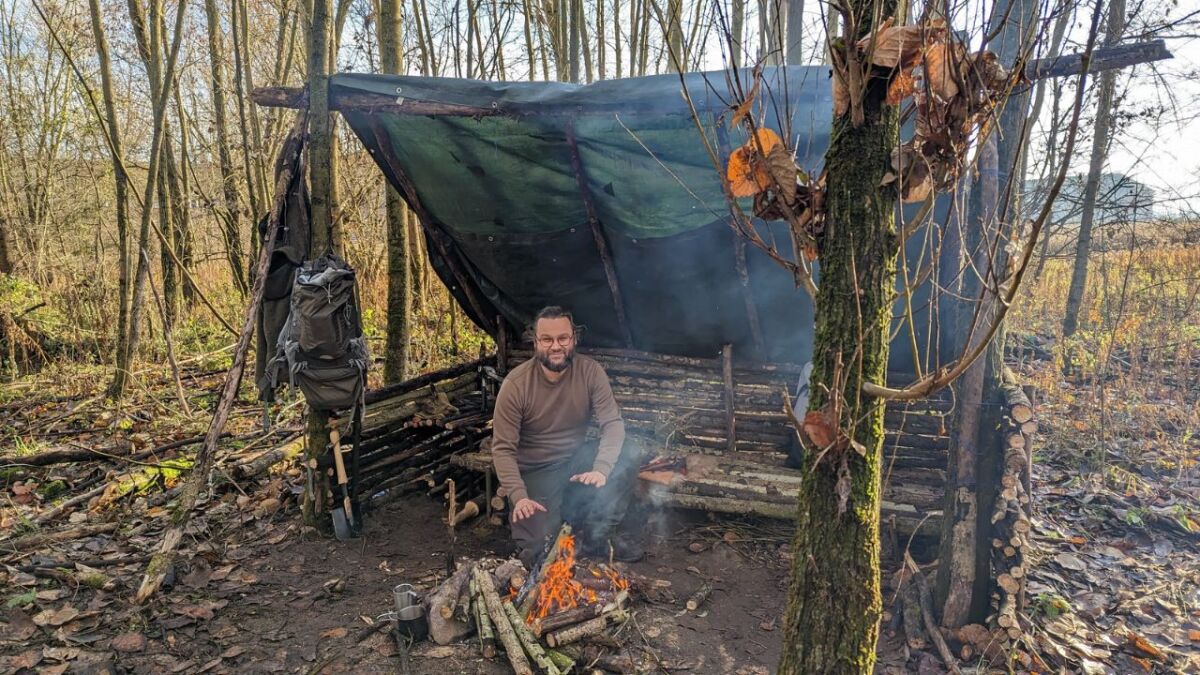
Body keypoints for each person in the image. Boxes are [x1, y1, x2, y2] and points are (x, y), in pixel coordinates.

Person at [491, 306, 644, 564]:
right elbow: (502, 449)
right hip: (536, 471)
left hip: (575, 462)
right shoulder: (516, 385)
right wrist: (518, 496)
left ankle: (600, 535)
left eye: (563, 338)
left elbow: (613, 424)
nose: (556, 346)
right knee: (538, 553)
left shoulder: (590, 372)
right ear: (536, 342)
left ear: (573, 338)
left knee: (630, 451)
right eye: (547, 339)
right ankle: (551, 524)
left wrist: (601, 469)